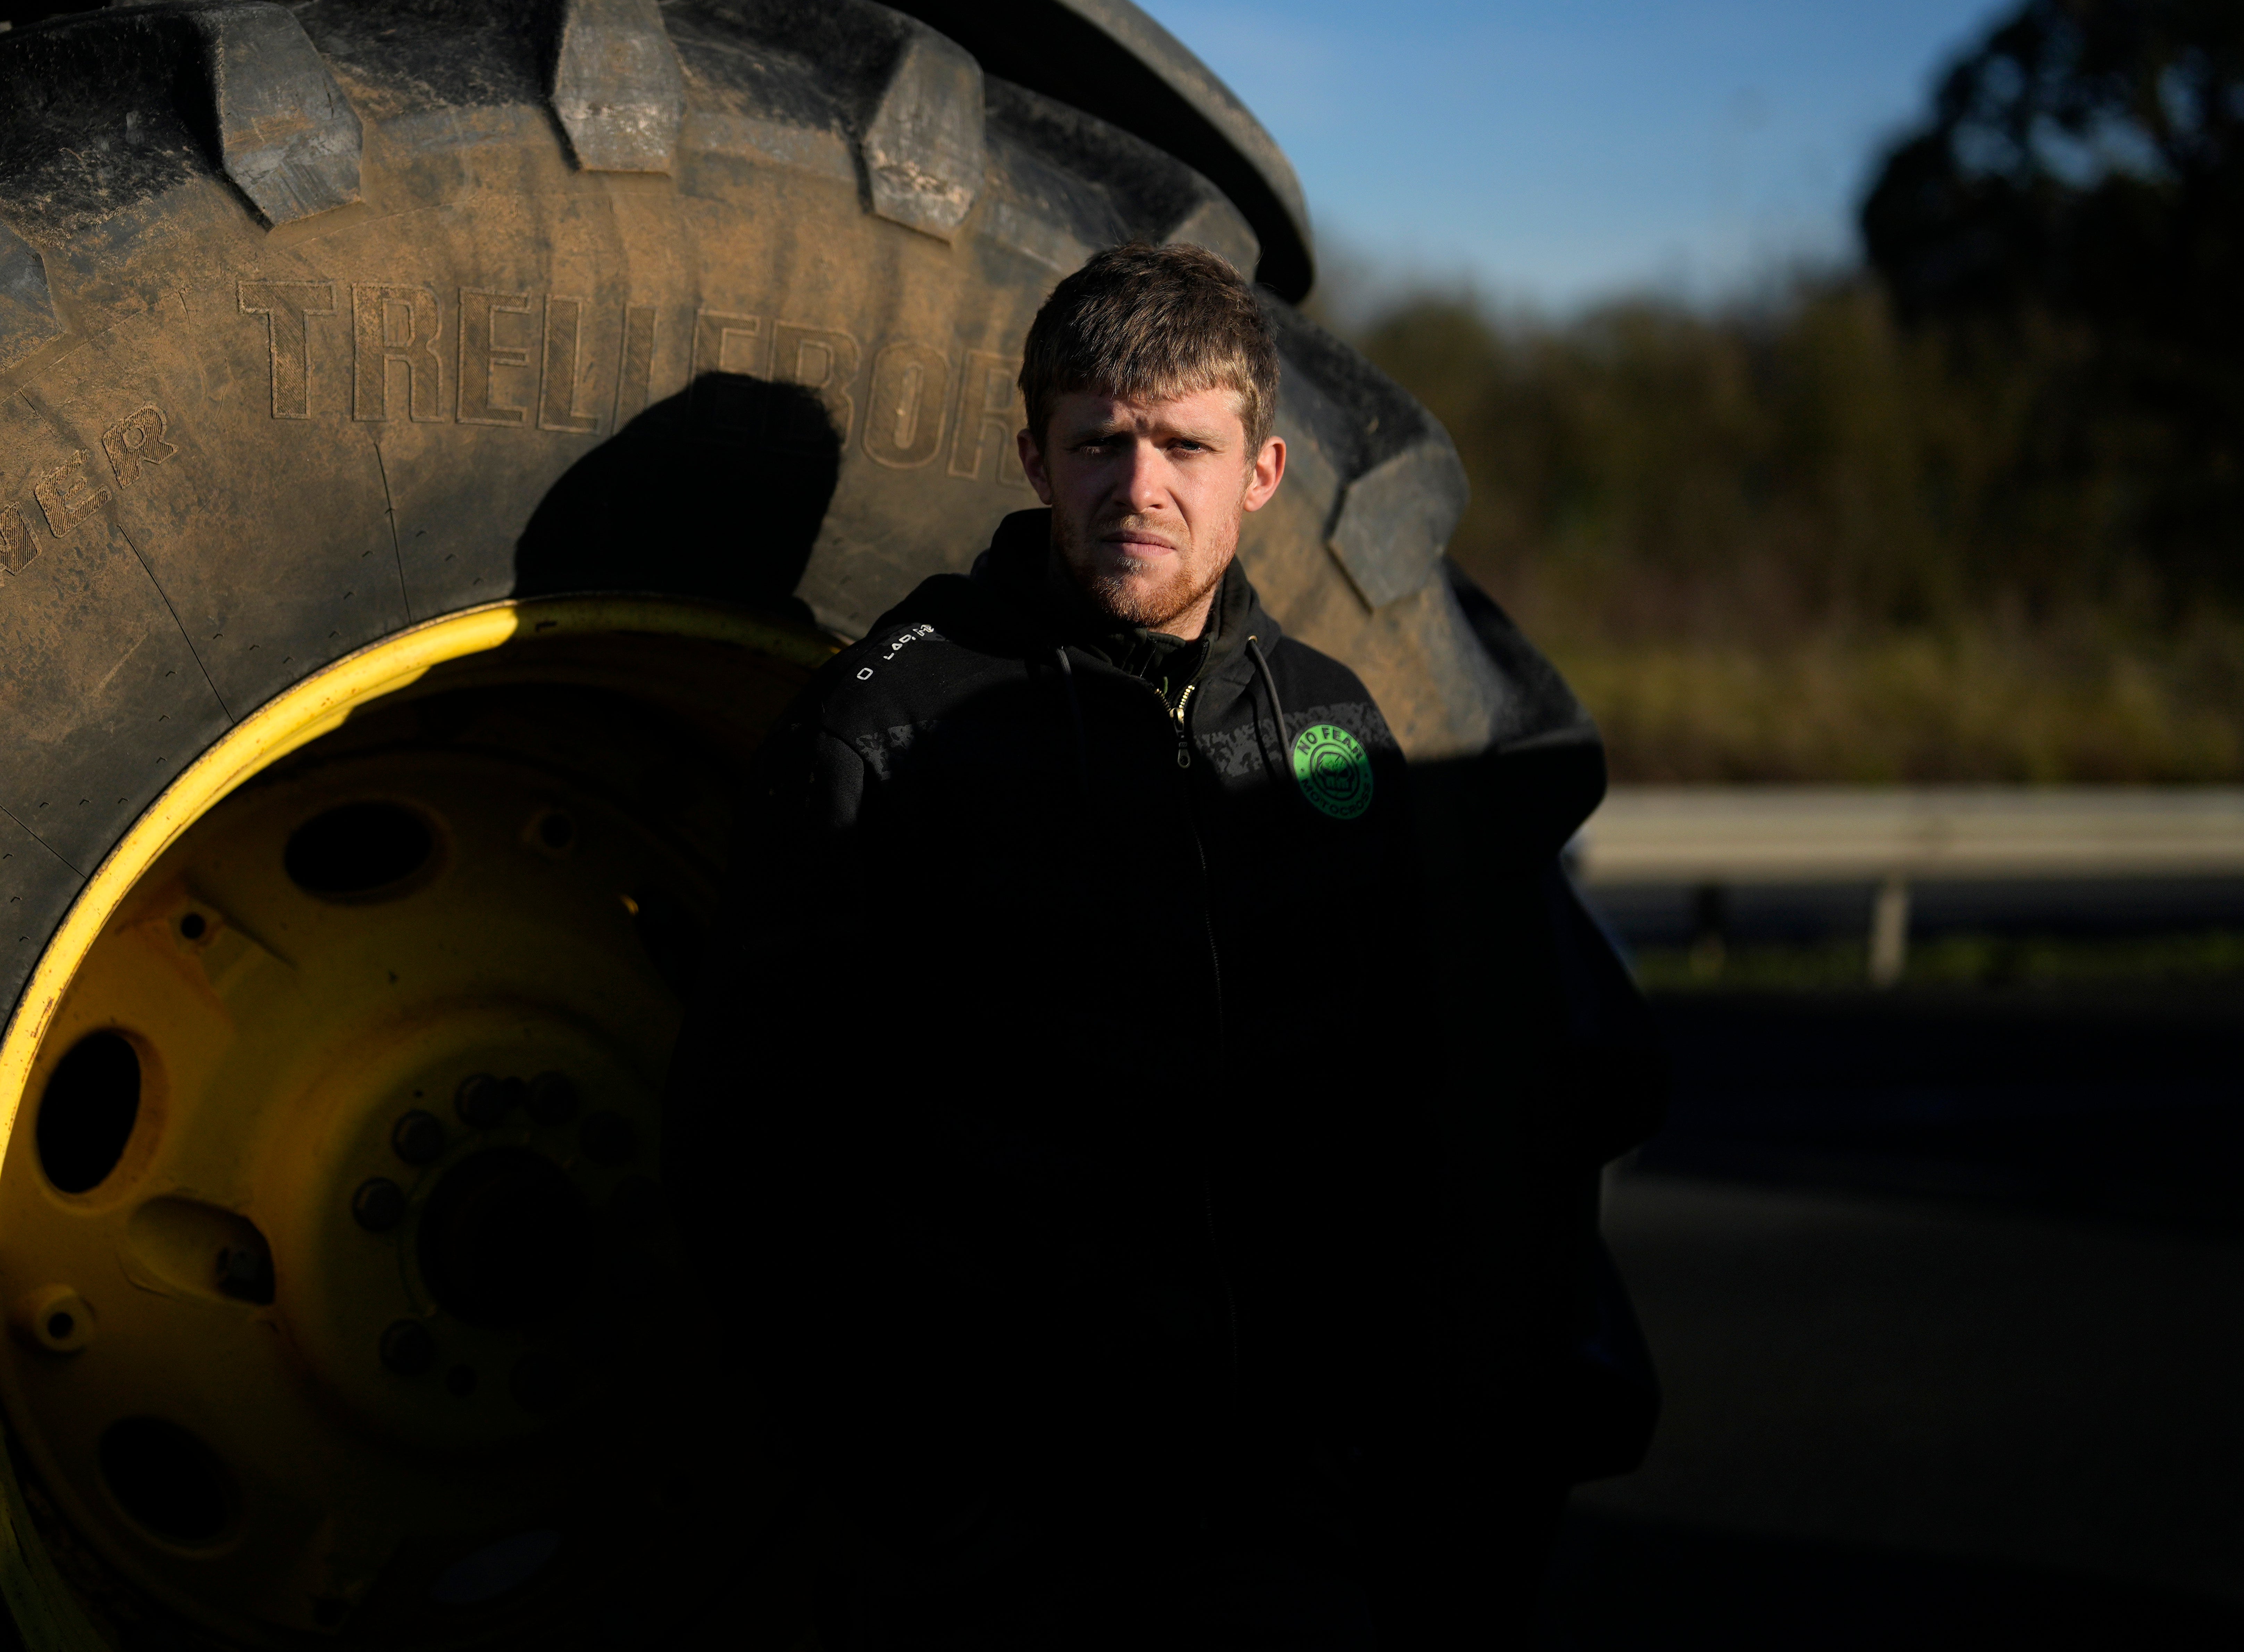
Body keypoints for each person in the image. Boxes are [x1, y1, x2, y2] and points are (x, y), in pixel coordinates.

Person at [673, 242, 1653, 1647]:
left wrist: (1373, 1444)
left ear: (1259, 473)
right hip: (989, 1531)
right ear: (1035, 455)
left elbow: (1412, 1098)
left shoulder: (1326, 724)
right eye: (1101, 444)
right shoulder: (886, 735)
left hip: (1284, 1506)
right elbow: (751, 1144)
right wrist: (914, 1484)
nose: (1141, 490)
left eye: (1186, 446)